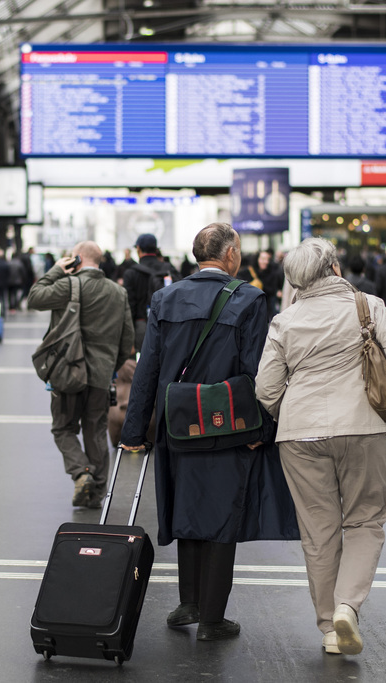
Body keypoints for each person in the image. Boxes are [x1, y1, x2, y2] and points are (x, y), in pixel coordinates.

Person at [255, 237, 386, 656]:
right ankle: (348, 606)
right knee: (364, 520)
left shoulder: (285, 322)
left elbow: (266, 388)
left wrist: (289, 414)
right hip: (363, 427)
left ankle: (329, 628)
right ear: (334, 268)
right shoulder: (368, 305)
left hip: (299, 435)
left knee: (318, 532)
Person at [119, 223, 275, 642]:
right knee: (223, 514)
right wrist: (265, 425)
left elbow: (147, 368)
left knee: (185, 507)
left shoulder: (165, 298)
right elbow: (258, 369)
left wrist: (135, 429)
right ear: (229, 256)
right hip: (229, 424)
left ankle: (188, 603)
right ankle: (211, 618)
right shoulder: (249, 299)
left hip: (177, 422)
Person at [29, 241, 134, 510]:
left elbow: (35, 298)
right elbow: (127, 341)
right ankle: (96, 493)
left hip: (68, 371)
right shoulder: (118, 292)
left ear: (76, 259)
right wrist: (111, 365)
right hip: (101, 375)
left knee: (63, 427)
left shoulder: (69, 285)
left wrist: (54, 270)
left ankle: (80, 472)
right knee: (96, 431)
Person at [122, 233, 179, 354]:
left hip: (142, 326)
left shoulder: (131, 273)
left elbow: (129, 306)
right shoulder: (169, 269)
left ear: (138, 249)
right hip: (169, 326)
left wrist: (128, 339)